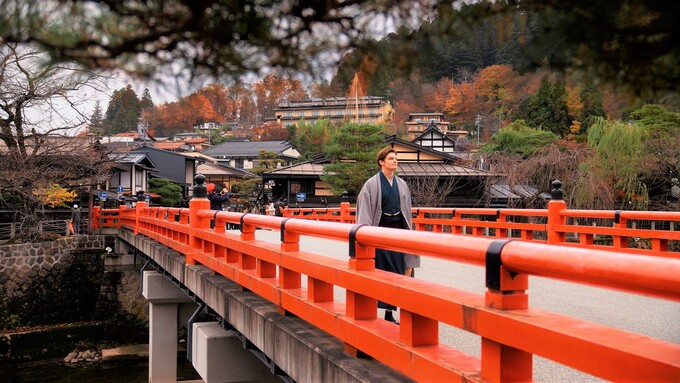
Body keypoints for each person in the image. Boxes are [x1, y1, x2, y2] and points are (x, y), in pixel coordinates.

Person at [356, 146, 420, 324]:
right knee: (382, 272)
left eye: (396, 158)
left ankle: (389, 313)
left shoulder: (402, 184)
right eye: (391, 158)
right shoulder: (371, 184)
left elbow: (406, 212)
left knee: (399, 270)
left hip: (398, 232)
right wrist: (366, 235)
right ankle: (378, 311)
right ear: (381, 162)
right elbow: (365, 211)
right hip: (380, 232)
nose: (395, 161)